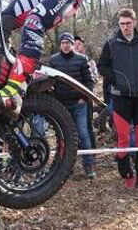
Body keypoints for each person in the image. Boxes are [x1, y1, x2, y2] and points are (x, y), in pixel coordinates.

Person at [97, 8, 138, 188]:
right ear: (119, 24)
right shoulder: (111, 43)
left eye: (128, 23)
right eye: (122, 24)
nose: (125, 27)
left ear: (135, 23)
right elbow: (102, 66)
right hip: (120, 98)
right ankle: (127, 175)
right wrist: (115, 79)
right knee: (123, 138)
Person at [48, 32, 96, 179]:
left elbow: (89, 81)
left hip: (78, 104)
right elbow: (49, 83)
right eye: (63, 43)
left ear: (72, 44)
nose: (65, 45)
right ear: (60, 44)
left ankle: (89, 166)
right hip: (61, 105)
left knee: (83, 134)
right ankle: (66, 167)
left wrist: (83, 97)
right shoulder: (53, 60)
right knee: (64, 136)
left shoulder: (81, 60)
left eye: (68, 43)